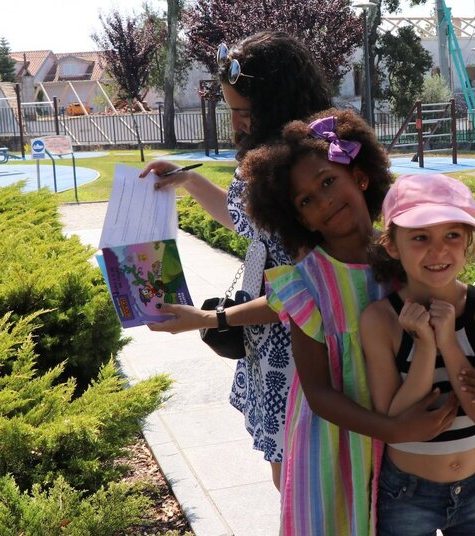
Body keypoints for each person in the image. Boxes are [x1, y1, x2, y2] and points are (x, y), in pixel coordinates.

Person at [242, 109, 475, 535]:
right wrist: (393, 428)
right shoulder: (308, 282)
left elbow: (471, 309)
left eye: (328, 181)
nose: (323, 200)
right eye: (306, 201)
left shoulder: (412, 247)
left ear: (360, 177)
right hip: (340, 441)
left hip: (414, 440)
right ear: (298, 217)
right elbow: (317, 391)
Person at [138, 30, 333, 489]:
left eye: (243, 111)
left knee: (300, 486)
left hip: (302, 351)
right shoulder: (278, 159)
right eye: (230, 109)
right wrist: (188, 180)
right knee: (290, 480)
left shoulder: (302, 172)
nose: (236, 122)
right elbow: (248, 223)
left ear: (278, 103)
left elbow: (305, 292)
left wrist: (211, 318)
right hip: (273, 344)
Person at [362, 174, 475, 535]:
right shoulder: (380, 320)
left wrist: (448, 343)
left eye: (452, 235)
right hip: (407, 494)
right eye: (420, 237)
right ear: (392, 245)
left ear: (468, 243)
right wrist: (426, 347)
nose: (438, 251)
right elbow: (394, 424)